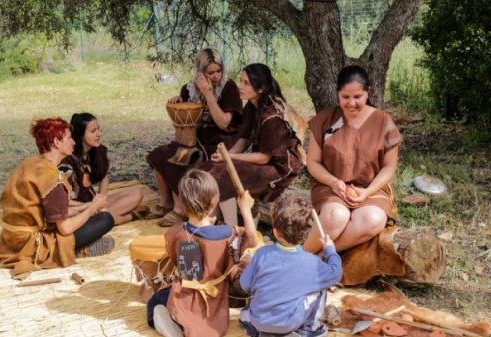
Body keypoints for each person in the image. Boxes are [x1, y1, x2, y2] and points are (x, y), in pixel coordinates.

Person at [0, 118, 115, 280]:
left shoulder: (30, 164)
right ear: (57, 142)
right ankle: (68, 251)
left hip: (12, 241)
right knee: (105, 218)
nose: (73, 142)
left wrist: (84, 208)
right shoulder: (53, 179)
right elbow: (64, 228)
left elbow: (45, 209)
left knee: (91, 214)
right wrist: (93, 207)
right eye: (69, 138)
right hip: (32, 245)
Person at [302, 65, 403, 254]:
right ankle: (303, 255)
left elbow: (389, 167)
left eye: (358, 97)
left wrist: (367, 192)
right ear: (338, 93)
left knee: (373, 219)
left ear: (368, 92)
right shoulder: (325, 120)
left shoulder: (383, 122)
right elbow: (313, 162)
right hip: (330, 187)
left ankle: (321, 257)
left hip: (370, 189)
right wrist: (333, 183)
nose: (351, 103)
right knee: (336, 216)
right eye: (345, 97)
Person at [147, 168, 257, 337]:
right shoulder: (228, 233)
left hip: (184, 299)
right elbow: (251, 239)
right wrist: (245, 209)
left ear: (183, 204)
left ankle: (172, 326)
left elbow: (184, 264)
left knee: (155, 301)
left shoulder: (176, 233)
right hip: (215, 303)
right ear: (214, 204)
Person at [197, 63, 303, 227]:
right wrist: (224, 158)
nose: (240, 86)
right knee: (209, 167)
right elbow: (244, 139)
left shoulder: (272, 116)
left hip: (279, 169)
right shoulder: (251, 107)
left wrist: (229, 157)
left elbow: (264, 158)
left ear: (260, 89)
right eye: (241, 81)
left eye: (246, 83)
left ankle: (231, 231)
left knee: (223, 176)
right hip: (263, 161)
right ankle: (210, 225)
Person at [147, 47, 243, 227]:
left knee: (179, 158)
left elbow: (223, 123)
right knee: (161, 154)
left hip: (219, 143)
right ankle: (166, 201)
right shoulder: (189, 89)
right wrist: (179, 103)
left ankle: (180, 209)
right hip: (195, 140)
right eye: (210, 72)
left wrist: (208, 94)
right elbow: (185, 123)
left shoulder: (228, 88)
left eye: (218, 71)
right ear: (200, 72)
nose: (216, 76)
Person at [239, 193, 342, 337]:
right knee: (319, 289)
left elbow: (245, 285)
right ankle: (309, 329)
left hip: (259, 321)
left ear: (275, 231)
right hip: (289, 323)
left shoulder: (262, 254)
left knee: (257, 300)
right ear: (306, 234)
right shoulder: (312, 263)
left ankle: (255, 328)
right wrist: (330, 250)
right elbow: (335, 273)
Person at [59, 112, 148, 226]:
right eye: (93, 131)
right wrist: (87, 207)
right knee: (100, 214)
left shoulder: (97, 151)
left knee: (136, 194)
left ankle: (100, 217)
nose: (98, 134)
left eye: (99, 129)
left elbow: (104, 177)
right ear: (81, 134)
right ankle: (126, 217)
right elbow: (63, 200)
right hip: (76, 209)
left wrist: (102, 201)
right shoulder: (67, 161)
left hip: (92, 202)